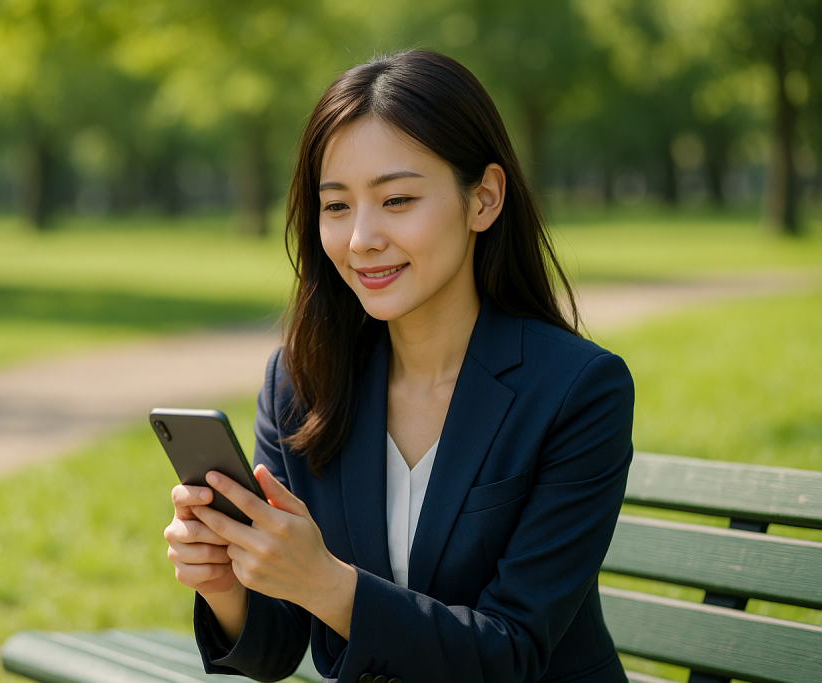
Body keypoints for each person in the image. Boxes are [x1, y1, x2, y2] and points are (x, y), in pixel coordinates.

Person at [164, 49, 634, 683]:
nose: (361, 239)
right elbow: (275, 652)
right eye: (336, 206)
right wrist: (226, 582)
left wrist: (329, 586)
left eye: (397, 200)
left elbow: (514, 653)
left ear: (484, 199)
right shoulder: (303, 385)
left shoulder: (577, 391)